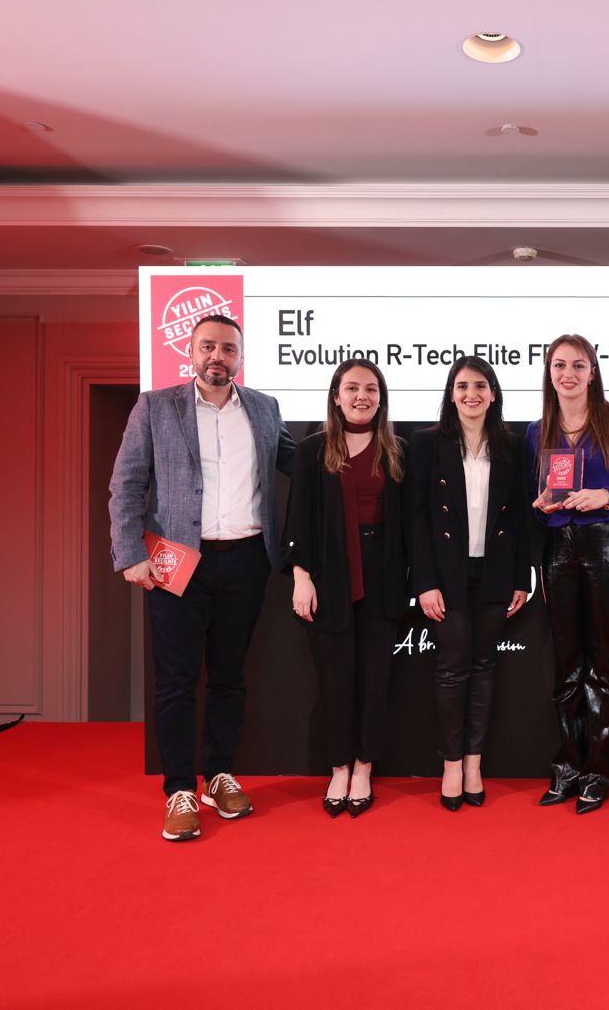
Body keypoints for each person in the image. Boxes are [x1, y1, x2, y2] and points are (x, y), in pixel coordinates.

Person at [109, 313, 295, 842]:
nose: (218, 356)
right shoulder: (154, 407)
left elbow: (296, 461)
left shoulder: (263, 407)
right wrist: (129, 554)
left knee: (230, 676)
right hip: (175, 561)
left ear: (240, 357)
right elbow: (126, 483)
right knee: (175, 680)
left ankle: (218, 774)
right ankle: (179, 789)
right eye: (208, 346)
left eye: (228, 349)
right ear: (190, 353)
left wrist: (356, 446)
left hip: (247, 560)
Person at [528, 333, 609, 814]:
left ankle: (598, 772)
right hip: (558, 549)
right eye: (560, 365)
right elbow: (536, 498)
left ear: (593, 372)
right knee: (566, 663)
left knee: (603, 663)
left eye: (578, 365)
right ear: (549, 372)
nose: (568, 374)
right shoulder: (538, 430)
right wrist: (541, 504)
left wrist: (606, 497)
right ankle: (567, 768)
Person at [284, 359, 409, 819]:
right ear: (336, 396)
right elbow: (298, 517)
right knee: (335, 680)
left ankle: (364, 767)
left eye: (371, 389)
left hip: (383, 575)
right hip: (329, 575)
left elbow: (410, 523)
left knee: (375, 681)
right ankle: (338, 767)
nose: (362, 396)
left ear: (381, 398)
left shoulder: (397, 450)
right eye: (352, 388)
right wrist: (302, 577)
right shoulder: (312, 450)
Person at [408, 357, 531, 811]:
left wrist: (521, 576)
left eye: (480, 386)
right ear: (451, 394)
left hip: (495, 571)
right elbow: (417, 519)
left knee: (484, 667)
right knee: (452, 668)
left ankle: (474, 763)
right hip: (446, 576)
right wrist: (424, 582)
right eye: (462, 386)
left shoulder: (512, 445)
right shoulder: (427, 444)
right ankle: (451, 765)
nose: (471, 394)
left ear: (493, 394)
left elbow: (520, 516)